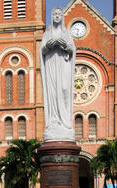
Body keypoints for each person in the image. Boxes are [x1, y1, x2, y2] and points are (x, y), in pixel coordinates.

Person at [40, 7, 76, 142]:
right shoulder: (46, 34)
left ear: (62, 17)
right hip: (50, 67)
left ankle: (64, 121)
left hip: (63, 67)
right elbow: (42, 51)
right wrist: (48, 46)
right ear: (51, 16)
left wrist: (65, 45)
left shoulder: (66, 34)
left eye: (59, 14)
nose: (56, 16)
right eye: (54, 14)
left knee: (63, 91)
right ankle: (54, 120)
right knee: (53, 94)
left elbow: (72, 49)